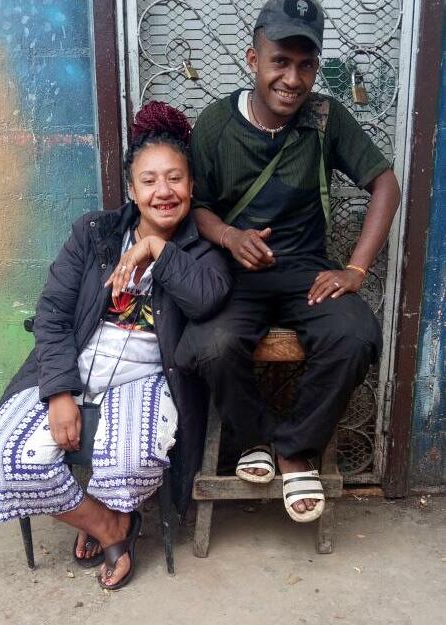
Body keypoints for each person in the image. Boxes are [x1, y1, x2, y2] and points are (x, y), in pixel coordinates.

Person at [0, 101, 232, 590]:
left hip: (145, 379)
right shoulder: (94, 233)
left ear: (192, 186)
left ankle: (113, 513)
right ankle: (108, 523)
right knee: (5, 457)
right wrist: (58, 393)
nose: (163, 191)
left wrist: (157, 249)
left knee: (134, 459)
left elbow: (207, 298)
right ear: (132, 190)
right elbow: (52, 314)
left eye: (175, 178)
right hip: (71, 367)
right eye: (149, 180)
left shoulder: (201, 248)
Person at [175, 0, 400, 522]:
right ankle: (252, 438)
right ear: (253, 59)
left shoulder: (325, 118)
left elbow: (385, 184)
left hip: (306, 272)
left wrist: (355, 270)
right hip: (236, 274)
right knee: (211, 344)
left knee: (355, 336)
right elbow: (196, 206)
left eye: (306, 65)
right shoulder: (216, 124)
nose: (292, 79)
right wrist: (230, 237)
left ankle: (293, 450)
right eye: (280, 61)